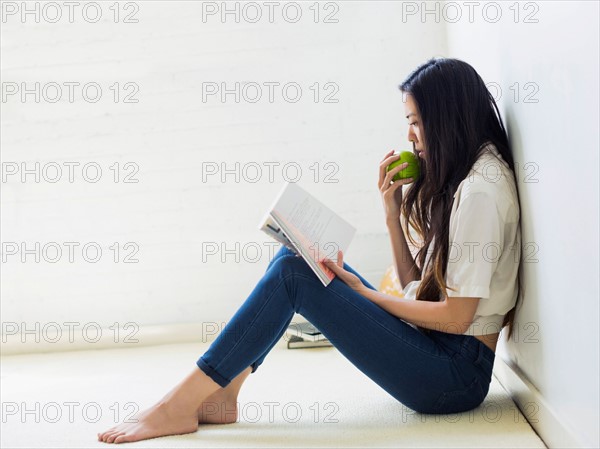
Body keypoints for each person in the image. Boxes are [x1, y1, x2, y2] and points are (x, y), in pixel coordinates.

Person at [98, 57, 522, 444]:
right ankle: (225, 392)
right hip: (438, 349)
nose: (410, 137)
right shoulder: (469, 175)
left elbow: (455, 317)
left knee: (295, 275)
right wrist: (391, 215)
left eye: (416, 121)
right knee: (290, 256)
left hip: (452, 377)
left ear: (446, 117)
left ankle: (177, 405)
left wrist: (365, 294)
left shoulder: (480, 191)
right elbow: (420, 289)